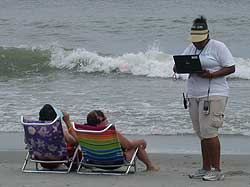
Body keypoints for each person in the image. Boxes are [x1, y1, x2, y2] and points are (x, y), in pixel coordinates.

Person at [173, 16, 235, 181]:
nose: (197, 43)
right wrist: (181, 67)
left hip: (214, 93)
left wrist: (211, 75)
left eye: (199, 41)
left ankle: (216, 169)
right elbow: (178, 66)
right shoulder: (190, 48)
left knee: (210, 132)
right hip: (194, 94)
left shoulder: (218, 47)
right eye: (194, 40)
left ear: (207, 35)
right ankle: (205, 167)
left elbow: (231, 67)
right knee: (201, 133)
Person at [85, 110, 160, 172]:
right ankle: (150, 166)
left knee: (130, 144)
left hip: (93, 161)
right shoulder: (109, 132)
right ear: (99, 123)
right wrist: (142, 141)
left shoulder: (84, 132)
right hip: (114, 162)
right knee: (137, 145)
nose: (107, 120)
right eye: (105, 119)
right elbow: (128, 145)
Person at [38, 104, 79, 169]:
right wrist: (67, 121)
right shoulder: (57, 129)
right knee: (73, 148)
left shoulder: (34, 129)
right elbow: (75, 142)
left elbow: (27, 142)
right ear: (54, 116)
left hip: (41, 159)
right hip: (56, 160)